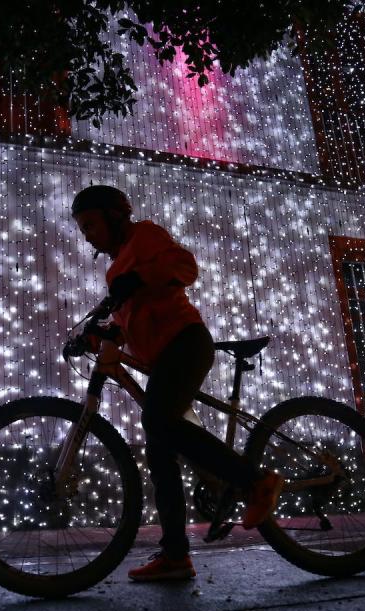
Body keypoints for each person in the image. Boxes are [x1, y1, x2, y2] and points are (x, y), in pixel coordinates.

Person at [70, 184, 282, 582]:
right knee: (160, 448)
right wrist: (96, 336)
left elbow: (185, 268)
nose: (86, 234)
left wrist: (138, 277)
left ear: (115, 215)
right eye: (82, 228)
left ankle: (256, 482)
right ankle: (175, 556)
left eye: (91, 223)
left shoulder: (145, 235)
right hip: (161, 356)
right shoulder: (114, 270)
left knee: (160, 423)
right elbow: (127, 320)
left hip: (184, 342)